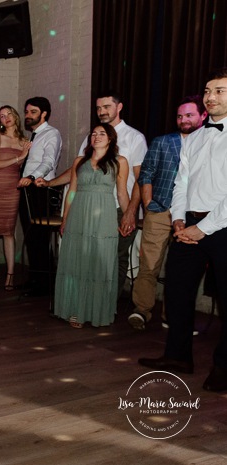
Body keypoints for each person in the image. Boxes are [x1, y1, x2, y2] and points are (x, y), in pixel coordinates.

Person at [139, 69, 227, 392]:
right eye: (207, 91)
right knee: (176, 289)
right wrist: (179, 219)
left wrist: (202, 229)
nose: (210, 96)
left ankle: (224, 367)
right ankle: (177, 356)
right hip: (189, 223)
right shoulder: (197, 136)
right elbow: (182, 180)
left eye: (219, 91)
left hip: (221, 227)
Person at [37, 91, 147, 297]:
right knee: (88, 257)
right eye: (98, 108)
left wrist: (131, 211)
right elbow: (77, 171)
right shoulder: (92, 138)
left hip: (116, 207)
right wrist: (50, 182)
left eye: (106, 107)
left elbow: (141, 179)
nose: (101, 112)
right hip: (87, 208)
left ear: (119, 107)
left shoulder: (135, 138)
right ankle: (87, 301)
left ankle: (107, 303)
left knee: (116, 258)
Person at [128, 96, 207, 329]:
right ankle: (141, 310)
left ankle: (173, 318)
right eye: (180, 116)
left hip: (193, 217)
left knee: (181, 271)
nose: (183, 120)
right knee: (149, 264)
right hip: (161, 211)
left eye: (189, 115)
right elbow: (146, 174)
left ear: (202, 116)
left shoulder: (210, 143)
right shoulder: (163, 142)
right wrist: (149, 203)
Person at [54, 124, 129, 328]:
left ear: (111, 138)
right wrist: (65, 218)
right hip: (79, 215)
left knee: (100, 262)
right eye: (94, 134)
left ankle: (97, 310)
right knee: (77, 262)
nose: (96, 137)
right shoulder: (80, 161)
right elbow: (72, 191)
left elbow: (121, 193)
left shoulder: (120, 162)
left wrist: (128, 216)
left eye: (102, 134)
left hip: (104, 217)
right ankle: (76, 310)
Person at [16, 97, 62, 296]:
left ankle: (44, 284)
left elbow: (49, 161)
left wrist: (32, 176)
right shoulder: (33, 136)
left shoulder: (52, 134)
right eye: (27, 112)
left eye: (33, 112)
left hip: (40, 189)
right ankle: (36, 279)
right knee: (31, 237)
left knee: (40, 238)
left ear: (44, 114)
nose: (28, 115)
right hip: (28, 189)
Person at [0, 106, 31, 291]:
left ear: (15, 116)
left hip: (12, 188)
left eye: (9, 114)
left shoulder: (24, 141)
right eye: (1, 116)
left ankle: (10, 276)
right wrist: (20, 157)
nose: (6, 118)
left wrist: (24, 155)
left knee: (9, 232)